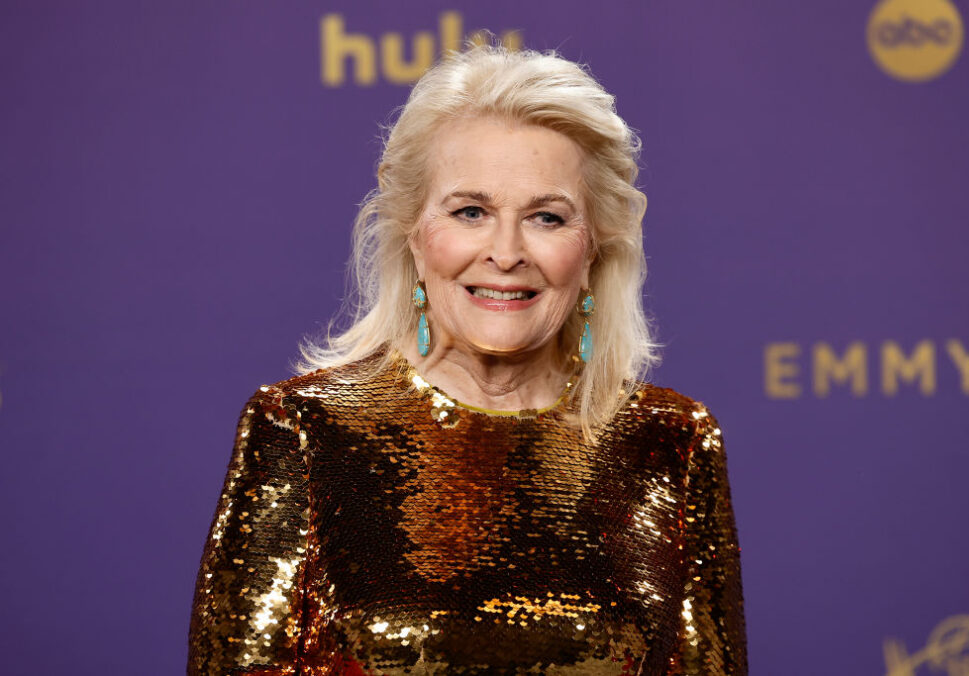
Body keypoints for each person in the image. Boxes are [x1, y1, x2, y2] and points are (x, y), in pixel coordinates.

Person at [188, 44, 746, 675]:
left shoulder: (670, 442)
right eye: (471, 212)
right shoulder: (303, 431)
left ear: (594, 248)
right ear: (413, 235)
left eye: (546, 216)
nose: (506, 252)